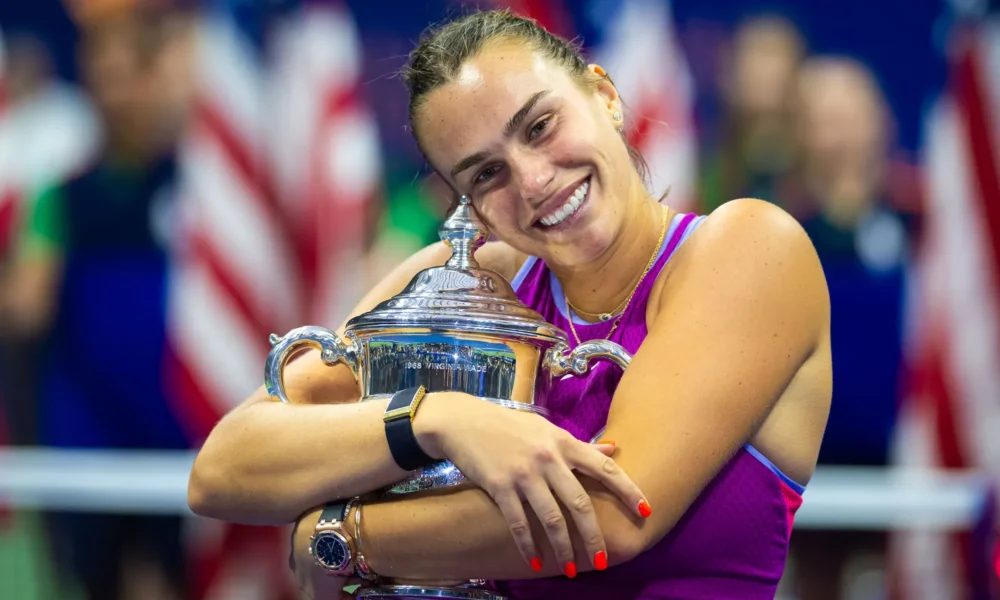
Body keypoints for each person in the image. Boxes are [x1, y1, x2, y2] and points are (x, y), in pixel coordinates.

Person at [188, 9, 832, 599]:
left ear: (604, 95)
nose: (532, 180)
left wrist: (340, 535)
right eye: (485, 174)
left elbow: (609, 517)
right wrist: (434, 419)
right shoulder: (472, 281)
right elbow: (221, 471)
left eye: (540, 126)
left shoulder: (750, 246)